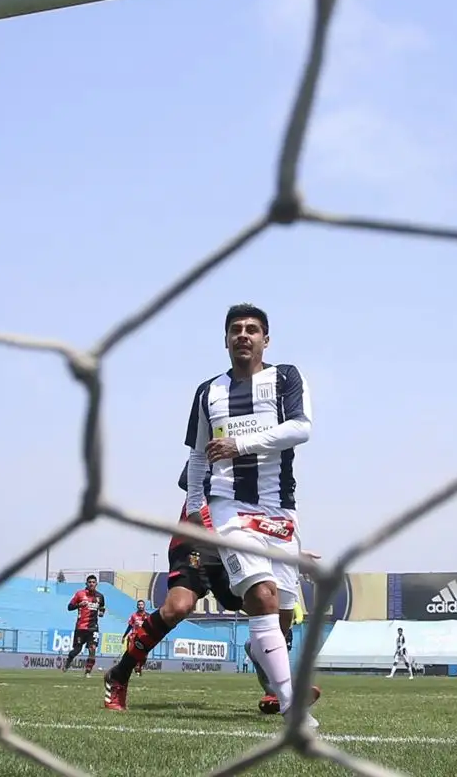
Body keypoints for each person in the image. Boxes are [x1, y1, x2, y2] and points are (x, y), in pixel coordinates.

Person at [183, 302, 314, 729]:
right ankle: (292, 706)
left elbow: (301, 428)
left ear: (265, 340)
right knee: (261, 595)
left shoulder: (285, 377)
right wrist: (194, 511)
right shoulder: (208, 392)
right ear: (225, 340)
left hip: (279, 510)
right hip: (229, 507)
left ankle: (261, 653)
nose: (243, 334)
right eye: (236, 329)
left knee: (281, 612)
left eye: (252, 329)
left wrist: (240, 445)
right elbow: (198, 457)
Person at [103, 478, 319, 724]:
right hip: (198, 538)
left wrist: (290, 551)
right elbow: (190, 480)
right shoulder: (212, 456)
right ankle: (119, 674)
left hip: (236, 540)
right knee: (178, 607)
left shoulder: (265, 471)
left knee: (274, 607)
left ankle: (270, 676)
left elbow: (263, 512)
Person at [62, 576, 105, 675]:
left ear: (96, 584)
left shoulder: (100, 596)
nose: (91, 584)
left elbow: (102, 607)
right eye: (89, 582)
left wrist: (101, 613)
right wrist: (79, 605)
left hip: (93, 627)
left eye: (93, 582)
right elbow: (69, 607)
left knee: (92, 649)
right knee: (77, 650)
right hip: (81, 627)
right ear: (86, 584)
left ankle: (88, 672)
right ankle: (68, 661)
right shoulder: (80, 594)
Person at [122, 600, 151, 678]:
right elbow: (129, 626)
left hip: (144, 637)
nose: (140, 606)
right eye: (139, 605)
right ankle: (135, 669)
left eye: (141, 604)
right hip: (134, 636)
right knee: (133, 654)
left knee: (144, 656)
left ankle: (139, 667)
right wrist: (124, 636)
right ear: (137, 606)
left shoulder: (148, 616)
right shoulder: (133, 616)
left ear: (144, 606)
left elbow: (151, 627)